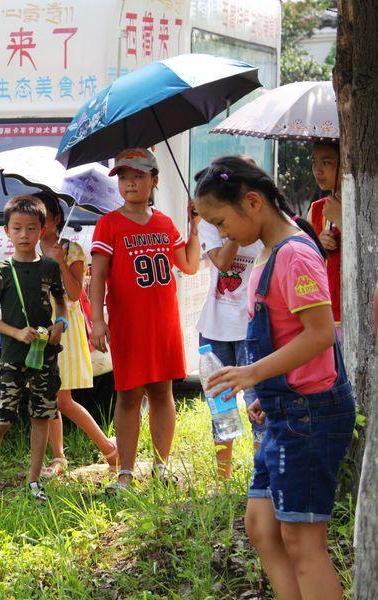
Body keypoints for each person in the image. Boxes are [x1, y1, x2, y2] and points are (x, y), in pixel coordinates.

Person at [195, 156, 353, 600]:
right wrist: (268, 388)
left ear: (252, 202)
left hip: (311, 414)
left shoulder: (296, 254)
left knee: (304, 543)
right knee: (262, 526)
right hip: (285, 408)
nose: (222, 234)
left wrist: (253, 373)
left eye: (222, 222)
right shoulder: (265, 253)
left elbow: (321, 334)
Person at [89, 148, 200, 491]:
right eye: (123, 177)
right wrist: (97, 319)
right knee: (128, 395)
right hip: (128, 324)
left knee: (163, 392)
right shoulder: (108, 224)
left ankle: (161, 465)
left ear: (154, 180)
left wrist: (194, 226)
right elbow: (98, 277)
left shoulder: (165, 223)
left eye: (138, 176)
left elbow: (189, 265)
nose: (130, 183)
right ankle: (125, 472)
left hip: (163, 321)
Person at [0, 196, 68, 501]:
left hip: (45, 358)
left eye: (31, 228)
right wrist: (15, 332)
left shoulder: (50, 267)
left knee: (42, 417)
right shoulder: (1, 270)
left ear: (42, 230)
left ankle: (35, 481)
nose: (24, 235)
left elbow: (62, 302)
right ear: (6, 231)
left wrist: (60, 324)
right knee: (3, 418)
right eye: (17, 228)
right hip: (13, 358)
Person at [34, 192, 117, 477]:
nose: (40, 225)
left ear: (57, 218)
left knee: (62, 398)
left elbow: (74, 292)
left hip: (65, 329)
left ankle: (108, 448)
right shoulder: (28, 251)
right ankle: (59, 456)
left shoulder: (73, 250)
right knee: (48, 395)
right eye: (35, 219)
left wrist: (58, 262)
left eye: (45, 217)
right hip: (40, 331)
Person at [194, 162, 266, 478]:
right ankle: (223, 477)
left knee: (258, 402)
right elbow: (223, 264)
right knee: (220, 404)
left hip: (251, 326)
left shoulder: (264, 223)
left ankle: (259, 473)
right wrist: (232, 230)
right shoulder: (211, 224)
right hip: (215, 327)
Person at [307, 141, 342, 333]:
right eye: (314, 162)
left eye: (326, 163)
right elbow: (304, 258)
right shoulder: (317, 209)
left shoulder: (366, 205)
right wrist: (317, 245)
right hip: (325, 310)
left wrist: (340, 220)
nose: (317, 170)